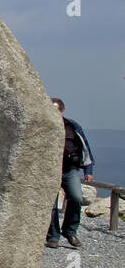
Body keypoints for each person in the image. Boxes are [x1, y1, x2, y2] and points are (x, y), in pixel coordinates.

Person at [46, 98, 94, 250]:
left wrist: (88, 169)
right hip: (49, 172)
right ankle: (53, 236)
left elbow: (85, 148)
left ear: (62, 111)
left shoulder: (72, 126)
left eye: (56, 110)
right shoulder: (43, 127)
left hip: (69, 170)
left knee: (77, 197)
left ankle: (69, 231)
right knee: (51, 205)